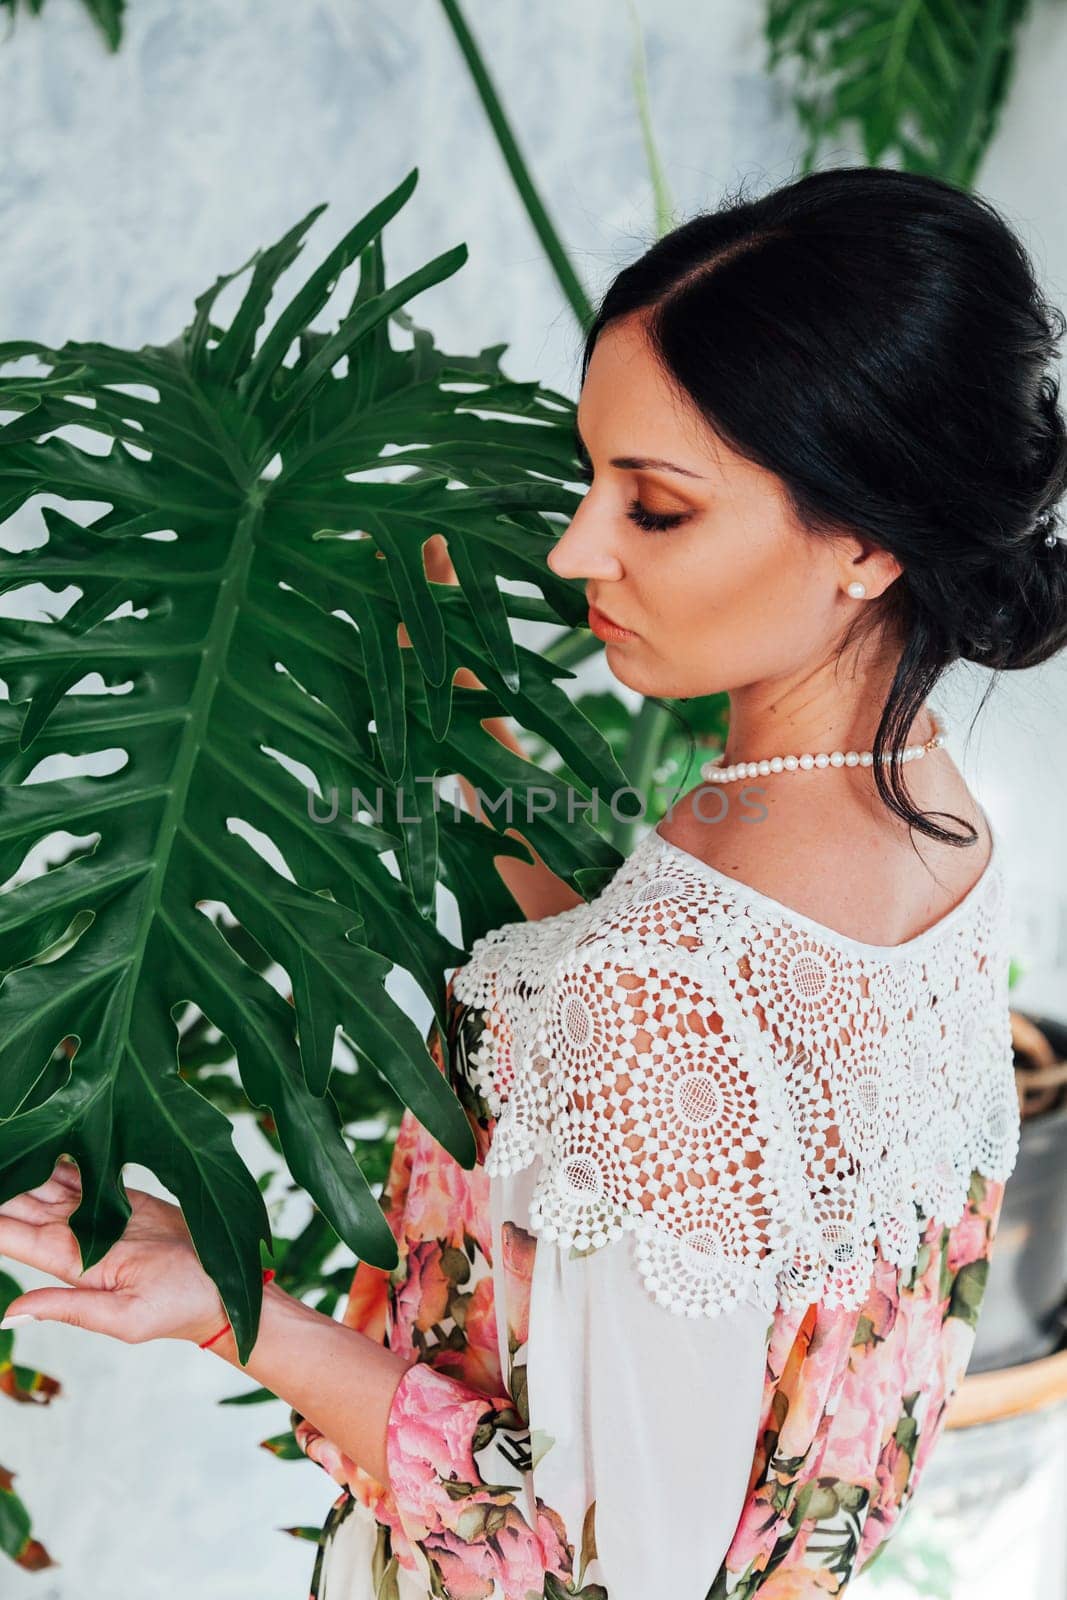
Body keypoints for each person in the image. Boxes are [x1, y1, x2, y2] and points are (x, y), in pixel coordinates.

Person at [0, 163, 1061, 1599]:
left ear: (866, 543)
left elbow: (596, 1572)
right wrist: (471, 737)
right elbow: (676, 1057)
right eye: (588, 477)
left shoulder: (674, 995)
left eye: (657, 509)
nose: (574, 551)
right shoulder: (920, 810)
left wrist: (232, 1311)